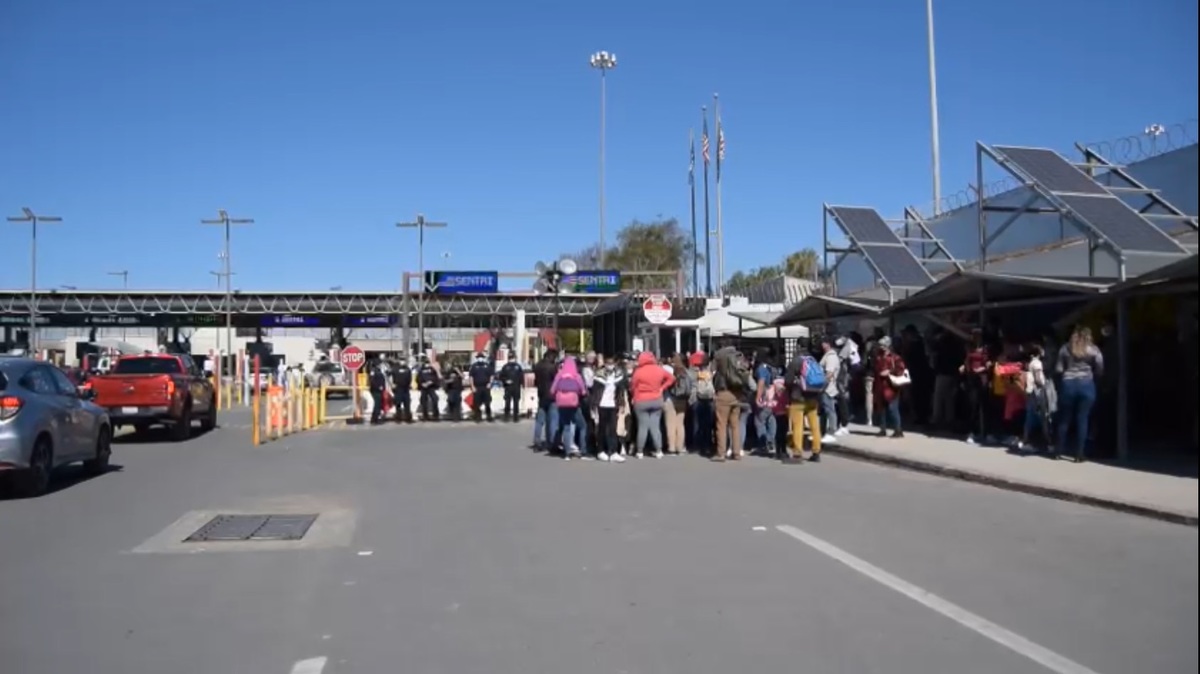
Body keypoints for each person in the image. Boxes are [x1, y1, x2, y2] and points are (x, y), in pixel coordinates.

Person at [1055, 326, 1103, 463]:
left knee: (1064, 418)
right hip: (1086, 385)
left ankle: (1058, 451)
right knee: (1083, 419)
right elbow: (1100, 367)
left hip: (1068, 384)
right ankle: (1079, 454)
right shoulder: (1093, 349)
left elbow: (1058, 369)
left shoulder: (1065, 348)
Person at [784, 345, 825, 464]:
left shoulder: (796, 361)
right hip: (813, 397)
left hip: (798, 397)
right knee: (814, 426)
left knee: (798, 426)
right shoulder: (813, 360)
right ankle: (816, 452)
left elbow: (788, 380)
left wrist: (789, 390)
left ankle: (797, 452)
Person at [629, 351, 674, 459]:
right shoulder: (659, 369)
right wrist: (662, 388)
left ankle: (640, 451)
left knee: (642, 426)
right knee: (655, 426)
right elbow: (671, 378)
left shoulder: (638, 372)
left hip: (641, 400)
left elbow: (632, 386)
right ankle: (659, 450)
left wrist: (634, 396)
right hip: (657, 399)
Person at [711, 344, 750, 462]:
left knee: (721, 424)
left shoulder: (719, 356)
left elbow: (713, 372)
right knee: (735, 424)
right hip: (736, 393)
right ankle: (736, 452)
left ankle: (721, 453)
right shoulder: (738, 355)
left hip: (723, 392)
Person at [589, 355, 628, 463]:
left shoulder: (618, 374)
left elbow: (621, 391)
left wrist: (621, 404)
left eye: (612, 363)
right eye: (608, 363)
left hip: (613, 405)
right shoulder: (599, 375)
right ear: (605, 364)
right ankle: (601, 451)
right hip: (601, 405)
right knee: (602, 429)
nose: (610, 365)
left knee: (613, 429)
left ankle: (613, 452)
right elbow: (594, 392)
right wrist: (593, 407)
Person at [551, 357, 588, 459]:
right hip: (573, 404)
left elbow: (552, 390)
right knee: (583, 426)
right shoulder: (577, 376)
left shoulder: (559, 375)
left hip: (561, 405)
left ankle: (567, 453)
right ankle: (583, 450)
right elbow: (583, 391)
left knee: (566, 427)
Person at [873, 336, 909, 438]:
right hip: (880, 386)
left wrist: (890, 372)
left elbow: (901, 369)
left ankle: (898, 430)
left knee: (893, 408)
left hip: (891, 387)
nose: (882, 347)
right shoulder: (878, 357)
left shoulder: (895, 358)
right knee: (881, 409)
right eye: (880, 345)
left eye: (884, 345)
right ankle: (882, 429)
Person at [664, 353, 692, 455]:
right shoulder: (687, 371)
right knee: (680, 424)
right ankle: (680, 447)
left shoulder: (671, 370)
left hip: (671, 398)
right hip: (683, 399)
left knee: (671, 424)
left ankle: (671, 447)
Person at [532, 350, 558, 450]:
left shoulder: (537, 366)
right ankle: (551, 442)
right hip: (551, 396)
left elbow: (536, 381)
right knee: (552, 420)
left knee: (540, 420)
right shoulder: (552, 367)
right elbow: (556, 380)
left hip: (541, 394)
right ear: (551, 357)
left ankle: (537, 440)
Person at [818, 336, 842, 445]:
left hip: (828, 387)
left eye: (823, 343)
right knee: (825, 411)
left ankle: (832, 431)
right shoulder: (827, 355)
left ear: (828, 344)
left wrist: (822, 386)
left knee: (830, 410)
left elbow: (829, 373)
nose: (821, 345)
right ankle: (823, 431)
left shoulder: (831, 357)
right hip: (826, 387)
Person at [467, 353, 495, 423]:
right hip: (477, 387)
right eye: (479, 357)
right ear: (477, 358)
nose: (480, 358)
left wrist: (490, 383)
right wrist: (472, 386)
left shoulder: (487, 366)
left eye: (481, 357)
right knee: (477, 403)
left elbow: (491, 375)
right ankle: (478, 417)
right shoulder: (474, 366)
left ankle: (489, 416)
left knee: (487, 402)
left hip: (485, 386)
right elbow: (471, 377)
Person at [416, 355, 441, 422]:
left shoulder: (432, 369)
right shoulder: (421, 369)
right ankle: (425, 416)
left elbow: (436, 378)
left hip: (431, 387)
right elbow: (418, 378)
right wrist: (422, 384)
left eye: (427, 361)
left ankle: (436, 415)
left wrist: (430, 382)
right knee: (423, 401)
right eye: (425, 361)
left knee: (435, 399)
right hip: (423, 388)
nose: (426, 363)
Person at [498, 357, 524, 421]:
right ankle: (506, 416)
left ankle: (516, 417)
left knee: (516, 402)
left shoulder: (518, 367)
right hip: (508, 387)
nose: (512, 359)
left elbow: (521, 376)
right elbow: (501, 376)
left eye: (512, 358)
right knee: (507, 402)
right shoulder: (505, 367)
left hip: (516, 387)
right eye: (510, 358)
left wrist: (522, 384)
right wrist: (505, 381)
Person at [390, 357, 414, 423]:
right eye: (401, 360)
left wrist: (409, 385)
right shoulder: (395, 369)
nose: (402, 362)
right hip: (398, 389)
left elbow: (410, 378)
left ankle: (408, 418)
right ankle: (398, 418)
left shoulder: (407, 369)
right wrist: (392, 384)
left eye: (403, 360)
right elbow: (390, 377)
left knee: (407, 404)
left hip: (406, 389)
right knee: (398, 404)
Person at [368, 360, 387, 425]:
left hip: (379, 390)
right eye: (380, 364)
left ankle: (376, 418)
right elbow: (372, 381)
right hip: (375, 390)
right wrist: (379, 387)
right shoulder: (373, 371)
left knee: (378, 404)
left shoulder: (379, 370)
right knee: (377, 404)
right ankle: (374, 419)